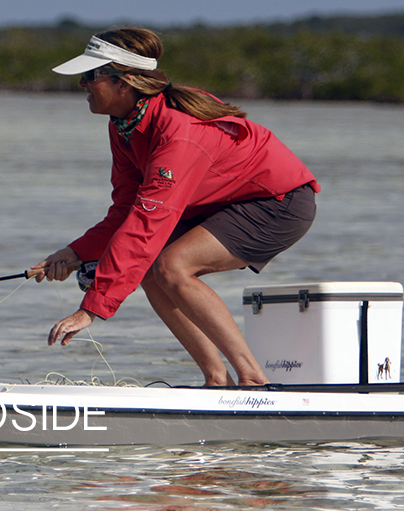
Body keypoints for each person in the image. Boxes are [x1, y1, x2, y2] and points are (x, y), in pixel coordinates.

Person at [30, 27, 318, 387]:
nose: (81, 85)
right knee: (150, 270)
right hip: (222, 203)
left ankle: (253, 380)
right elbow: (126, 212)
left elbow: (148, 223)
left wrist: (92, 308)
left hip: (279, 203)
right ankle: (218, 380)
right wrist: (75, 252)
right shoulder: (125, 124)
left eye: (90, 76)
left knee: (172, 266)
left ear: (125, 82)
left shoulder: (178, 133)